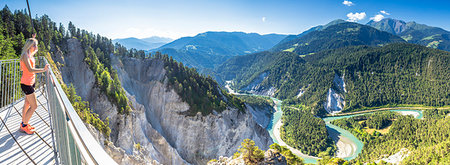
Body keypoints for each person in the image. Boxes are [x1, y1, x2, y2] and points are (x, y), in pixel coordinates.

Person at [19, 37, 49, 134]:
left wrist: (34, 39)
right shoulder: (25, 56)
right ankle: (24, 125)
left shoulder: (29, 54)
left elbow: (31, 67)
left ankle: (24, 123)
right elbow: (31, 69)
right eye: (34, 45)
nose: (36, 47)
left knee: (27, 104)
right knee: (34, 106)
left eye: (36, 45)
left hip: (31, 82)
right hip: (26, 84)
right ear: (29, 46)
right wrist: (43, 70)